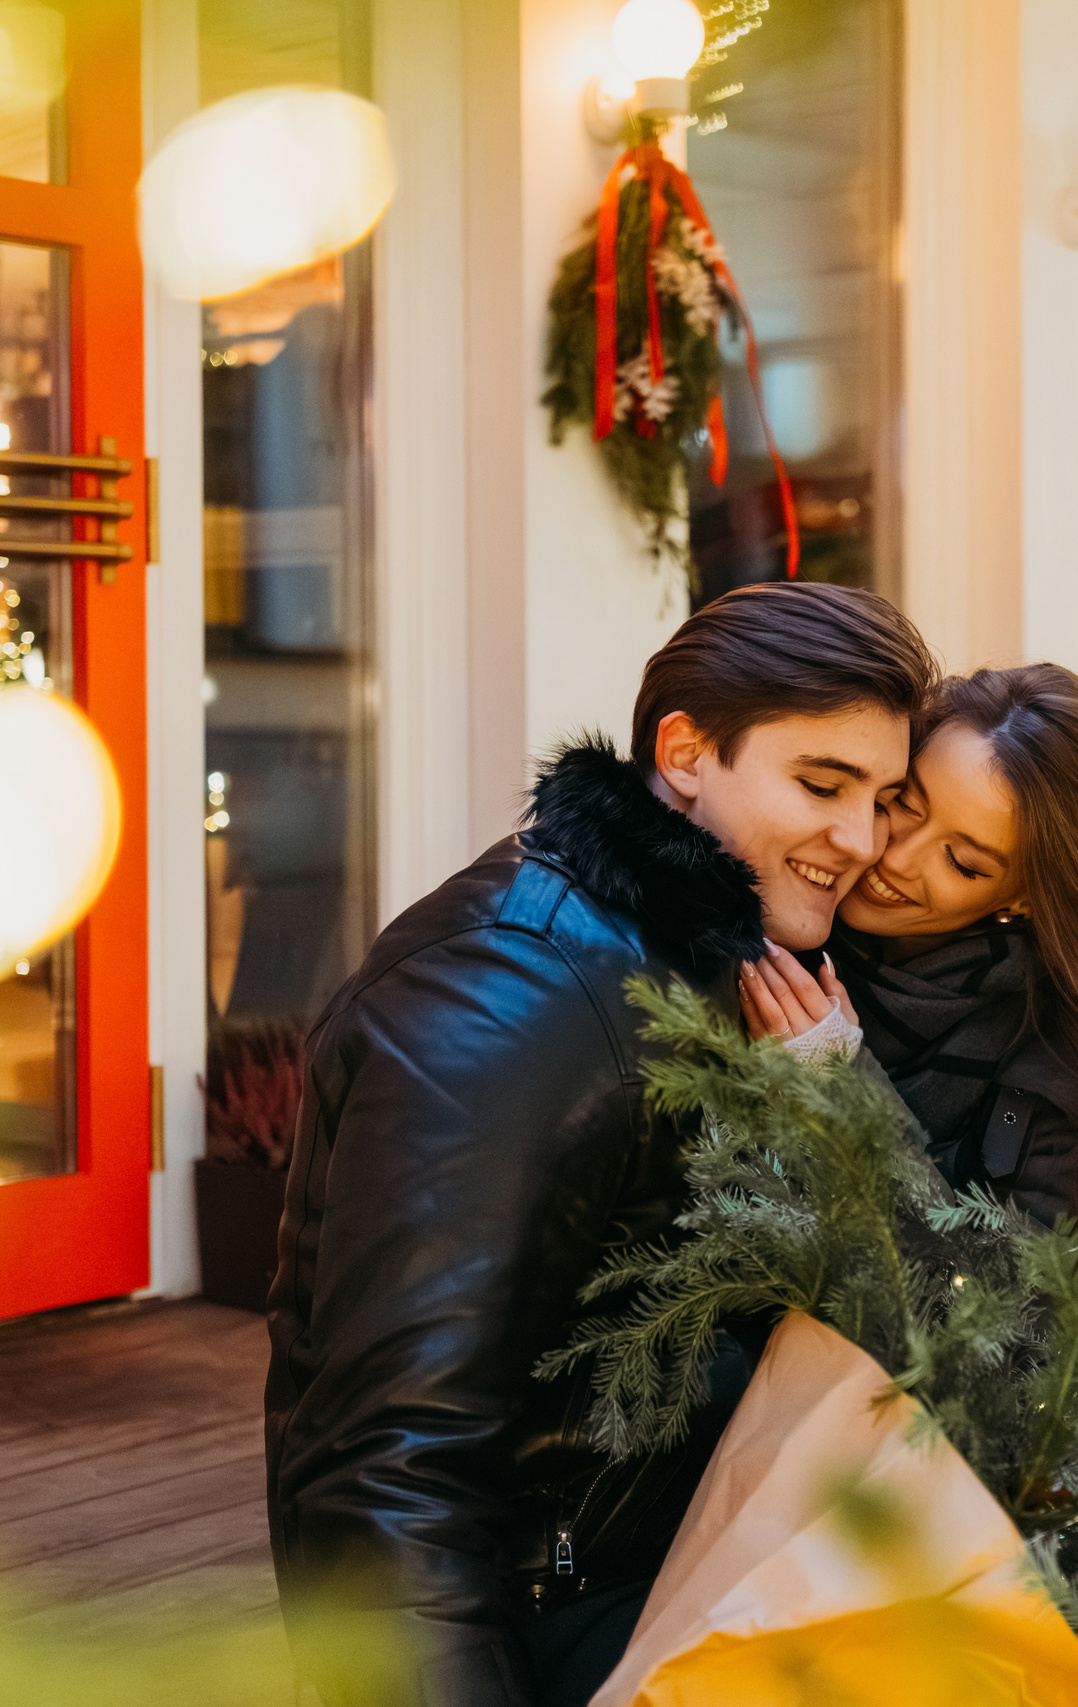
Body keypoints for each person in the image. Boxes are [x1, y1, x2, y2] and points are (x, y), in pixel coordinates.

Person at [265, 582, 935, 1707]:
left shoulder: (722, 958)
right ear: (683, 751)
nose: (859, 841)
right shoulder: (509, 997)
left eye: (884, 800)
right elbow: (390, 1478)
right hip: (565, 1630)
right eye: (821, 785)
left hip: (703, 1578)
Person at [738, 663, 1078, 1289]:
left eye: (963, 862)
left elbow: (1008, 1323)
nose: (892, 857)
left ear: (1026, 896)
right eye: (902, 805)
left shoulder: (1070, 1062)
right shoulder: (777, 919)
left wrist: (842, 1100)